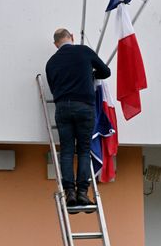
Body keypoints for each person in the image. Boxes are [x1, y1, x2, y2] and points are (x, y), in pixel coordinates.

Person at [45, 28, 110, 207]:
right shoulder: (84, 51)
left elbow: (53, 88)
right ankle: (82, 192)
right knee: (83, 150)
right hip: (84, 107)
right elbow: (106, 72)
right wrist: (91, 75)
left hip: (63, 107)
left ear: (55, 44)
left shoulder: (51, 62)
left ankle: (69, 193)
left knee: (66, 151)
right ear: (71, 37)